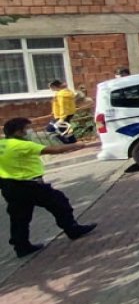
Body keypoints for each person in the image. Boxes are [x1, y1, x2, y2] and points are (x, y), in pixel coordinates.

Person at [0, 117, 97, 258]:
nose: (30, 131)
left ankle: (21, 246)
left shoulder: (2, 144)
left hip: (9, 186)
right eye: (27, 128)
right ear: (18, 131)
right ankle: (72, 229)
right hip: (30, 185)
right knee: (59, 202)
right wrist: (77, 145)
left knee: (19, 217)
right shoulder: (22, 145)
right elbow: (55, 150)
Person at [46, 80, 79, 144]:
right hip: (67, 114)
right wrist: (54, 112)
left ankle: (69, 143)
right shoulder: (65, 92)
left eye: (50, 87)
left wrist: (62, 118)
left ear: (54, 86)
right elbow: (59, 105)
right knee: (65, 130)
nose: (50, 89)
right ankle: (73, 143)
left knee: (50, 129)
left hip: (62, 116)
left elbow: (63, 107)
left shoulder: (61, 95)